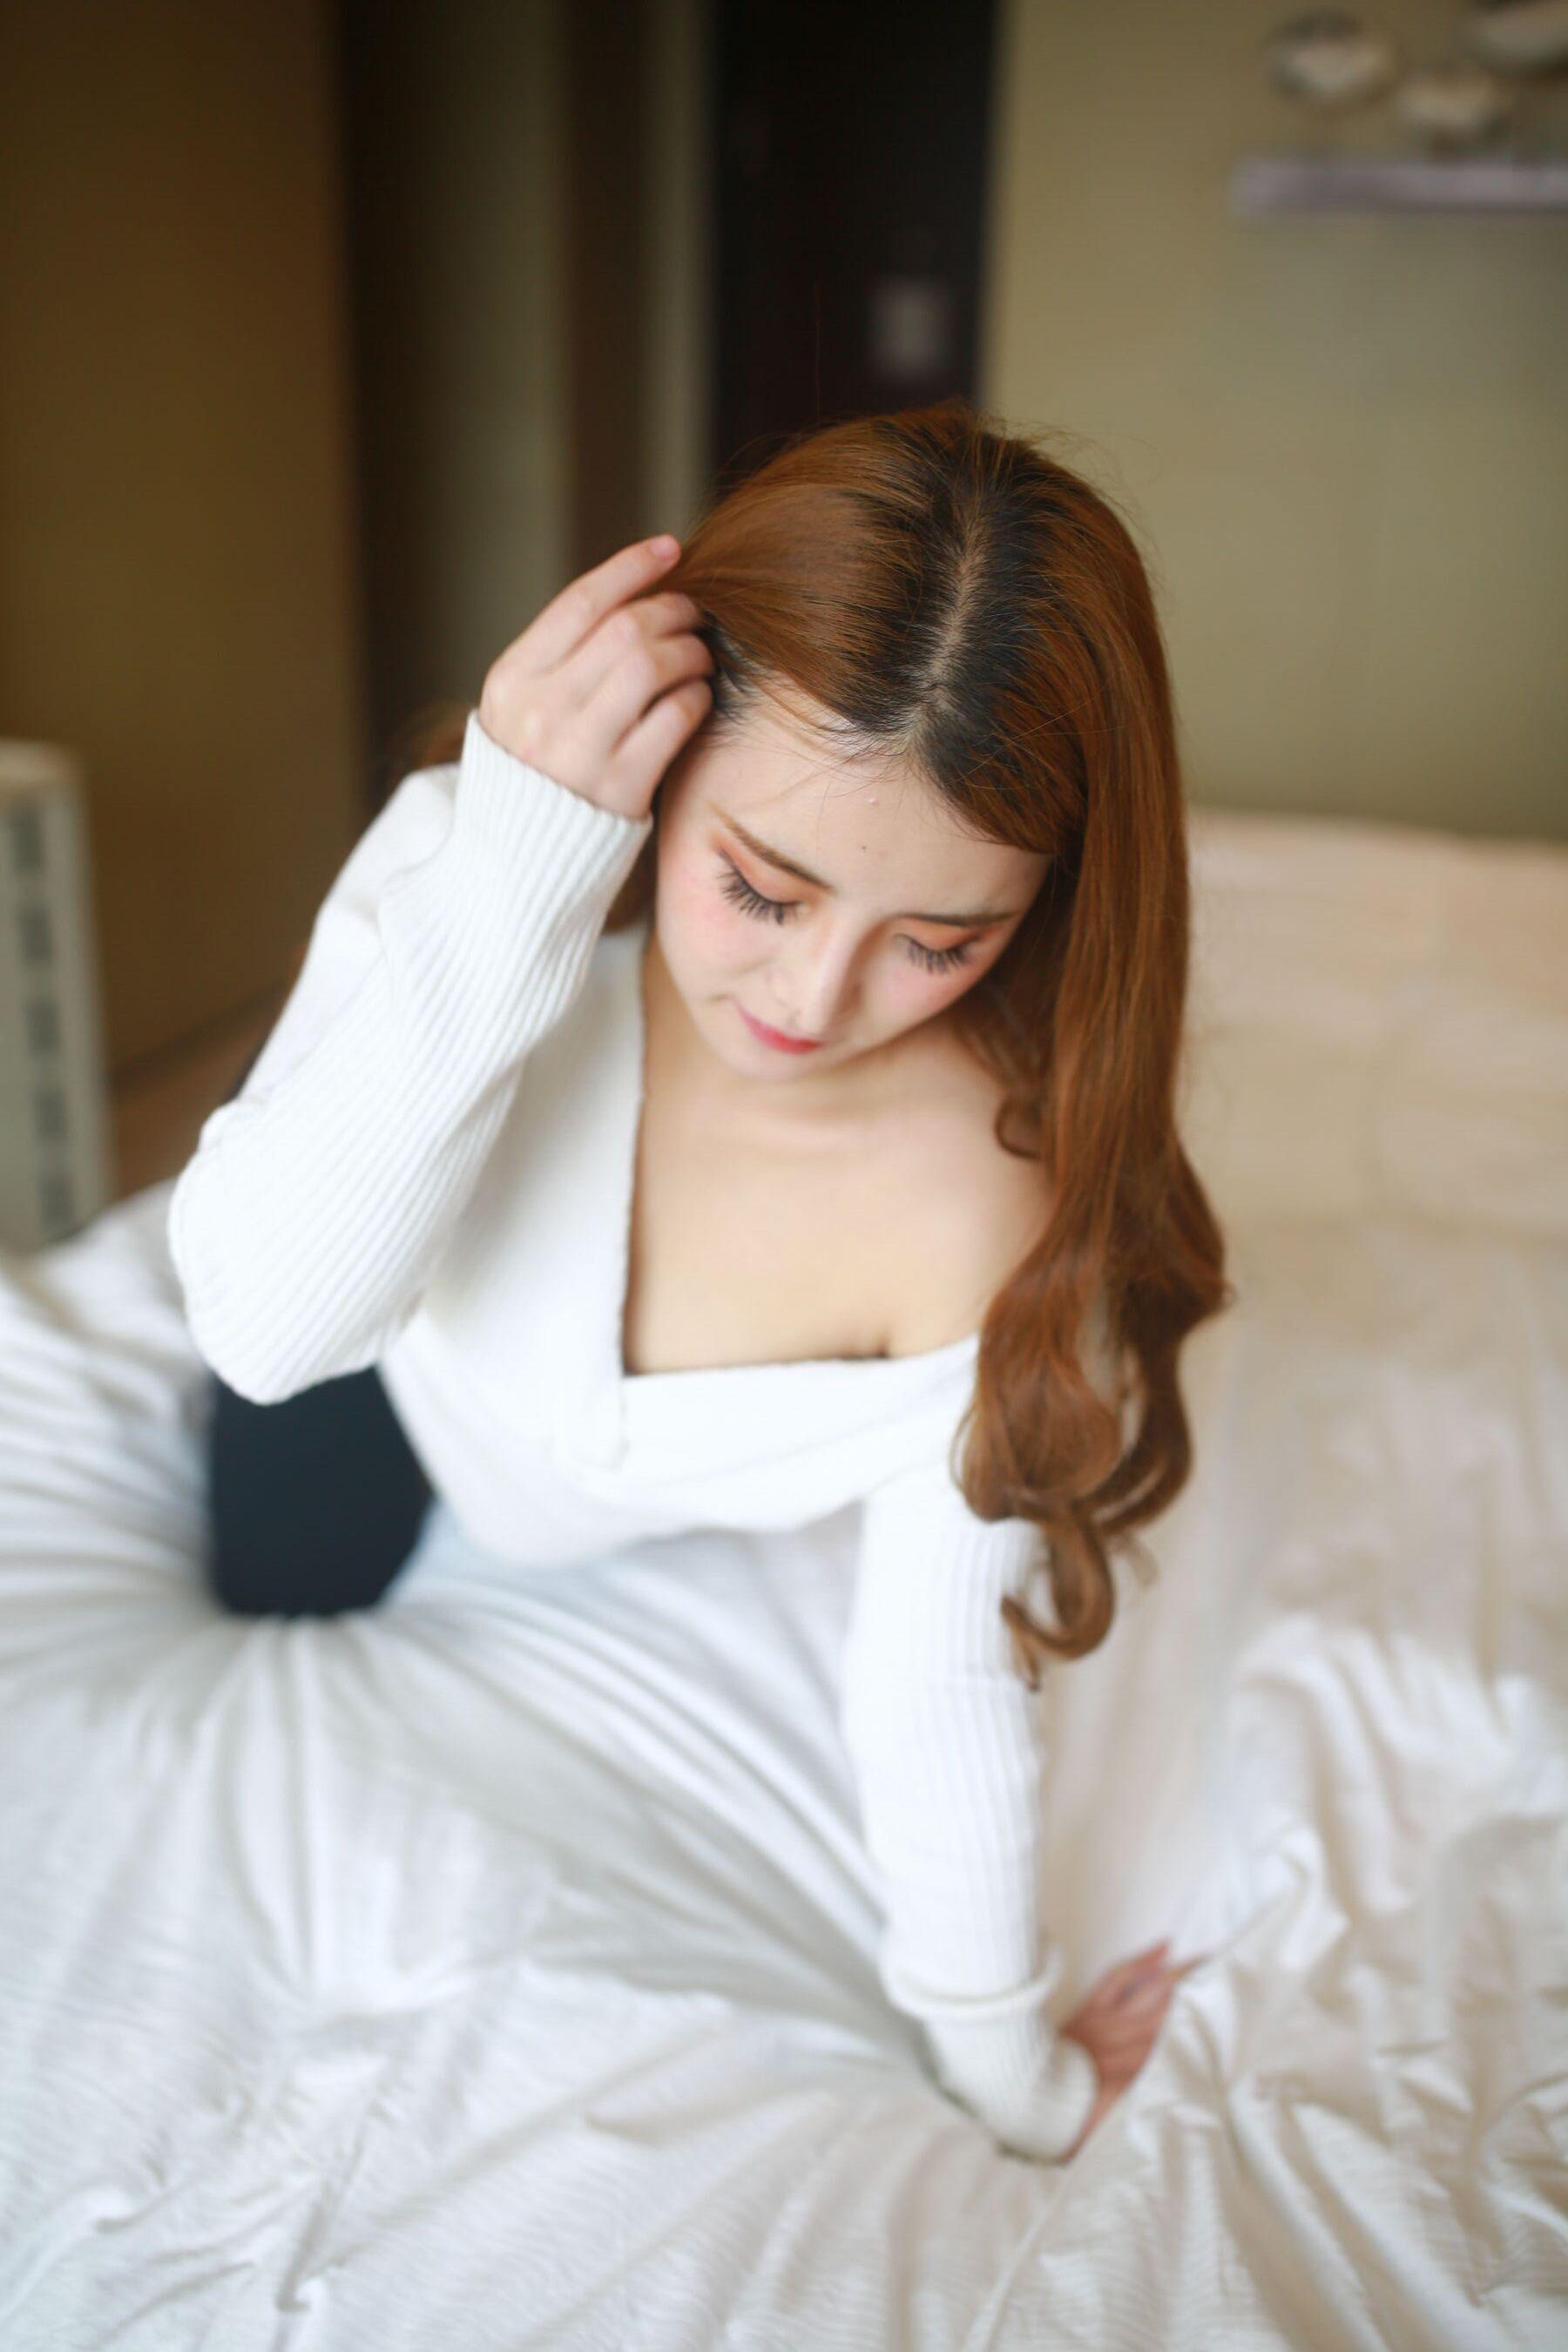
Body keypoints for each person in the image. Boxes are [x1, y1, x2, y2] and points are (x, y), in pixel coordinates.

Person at [172, 398, 1228, 2166]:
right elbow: (274, 1338)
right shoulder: (480, 868)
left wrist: (1005, 2062)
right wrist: (507, 861)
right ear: (665, 773)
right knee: (274, 1545)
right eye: (759, 887)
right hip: (384, 1354)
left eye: (939, 943)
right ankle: (290, 1118)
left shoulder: (990, 1210)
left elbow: (941, 1685)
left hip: (517, 1401)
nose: (810, 1004)